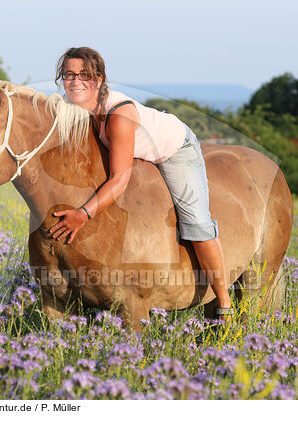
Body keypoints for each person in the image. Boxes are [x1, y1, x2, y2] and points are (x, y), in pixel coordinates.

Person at [48, 47, 232, 319]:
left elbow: (120, 179)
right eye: (69, 75)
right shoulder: (70, 105)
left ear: (98, 79)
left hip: (173, 148)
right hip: (133, 150)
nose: (75, 81)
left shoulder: (118, 117)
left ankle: (223, 303)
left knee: (196, 224)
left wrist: (84, 213)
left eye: (84, 75)